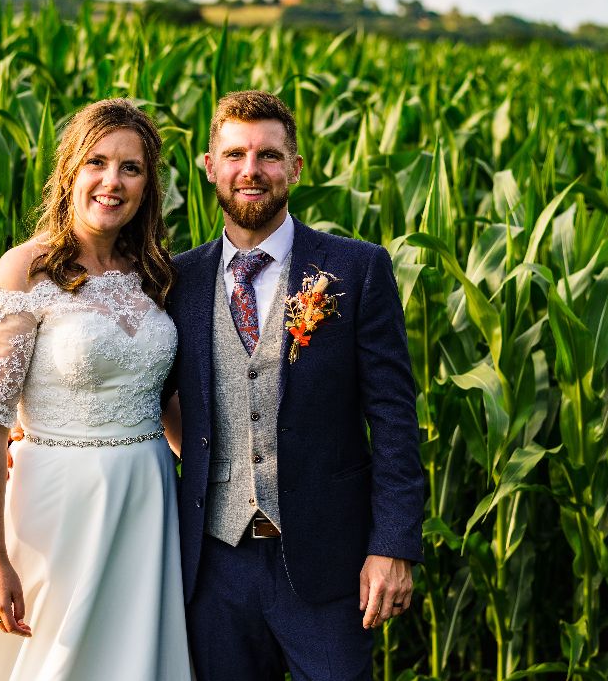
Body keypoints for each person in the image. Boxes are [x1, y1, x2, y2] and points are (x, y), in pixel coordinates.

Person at [164, 90, 426, 680]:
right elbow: (139, 393)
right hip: (213, 565)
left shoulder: (356, 269)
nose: (250, 171)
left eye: (269, 156)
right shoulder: (177, 279)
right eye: (234, 155)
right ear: (210, 167)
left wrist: (394, 545)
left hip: (329, 564)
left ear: (296, 168)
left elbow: (393, 418)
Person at [0, 99, 193, 680]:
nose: (112, 181)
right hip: (56, 508)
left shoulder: (154, 273)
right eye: (97, 162)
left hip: (147, 502)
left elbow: (166, 400)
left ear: (148, 184)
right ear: (70, 170)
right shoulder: (24, 272)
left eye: (131, 168)